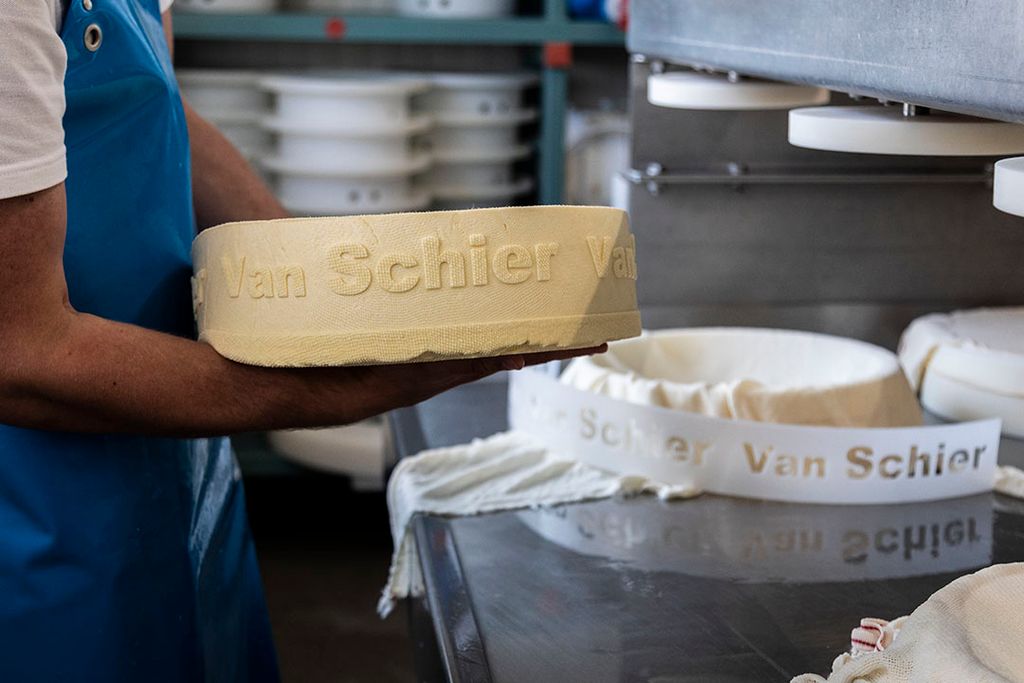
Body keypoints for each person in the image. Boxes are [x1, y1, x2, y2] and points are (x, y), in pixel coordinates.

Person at [0, 2, 599, 680]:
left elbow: (161, 109)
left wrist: (327, 293)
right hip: (46, 530)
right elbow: (21, 355)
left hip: (182, 475)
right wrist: (325, 390)